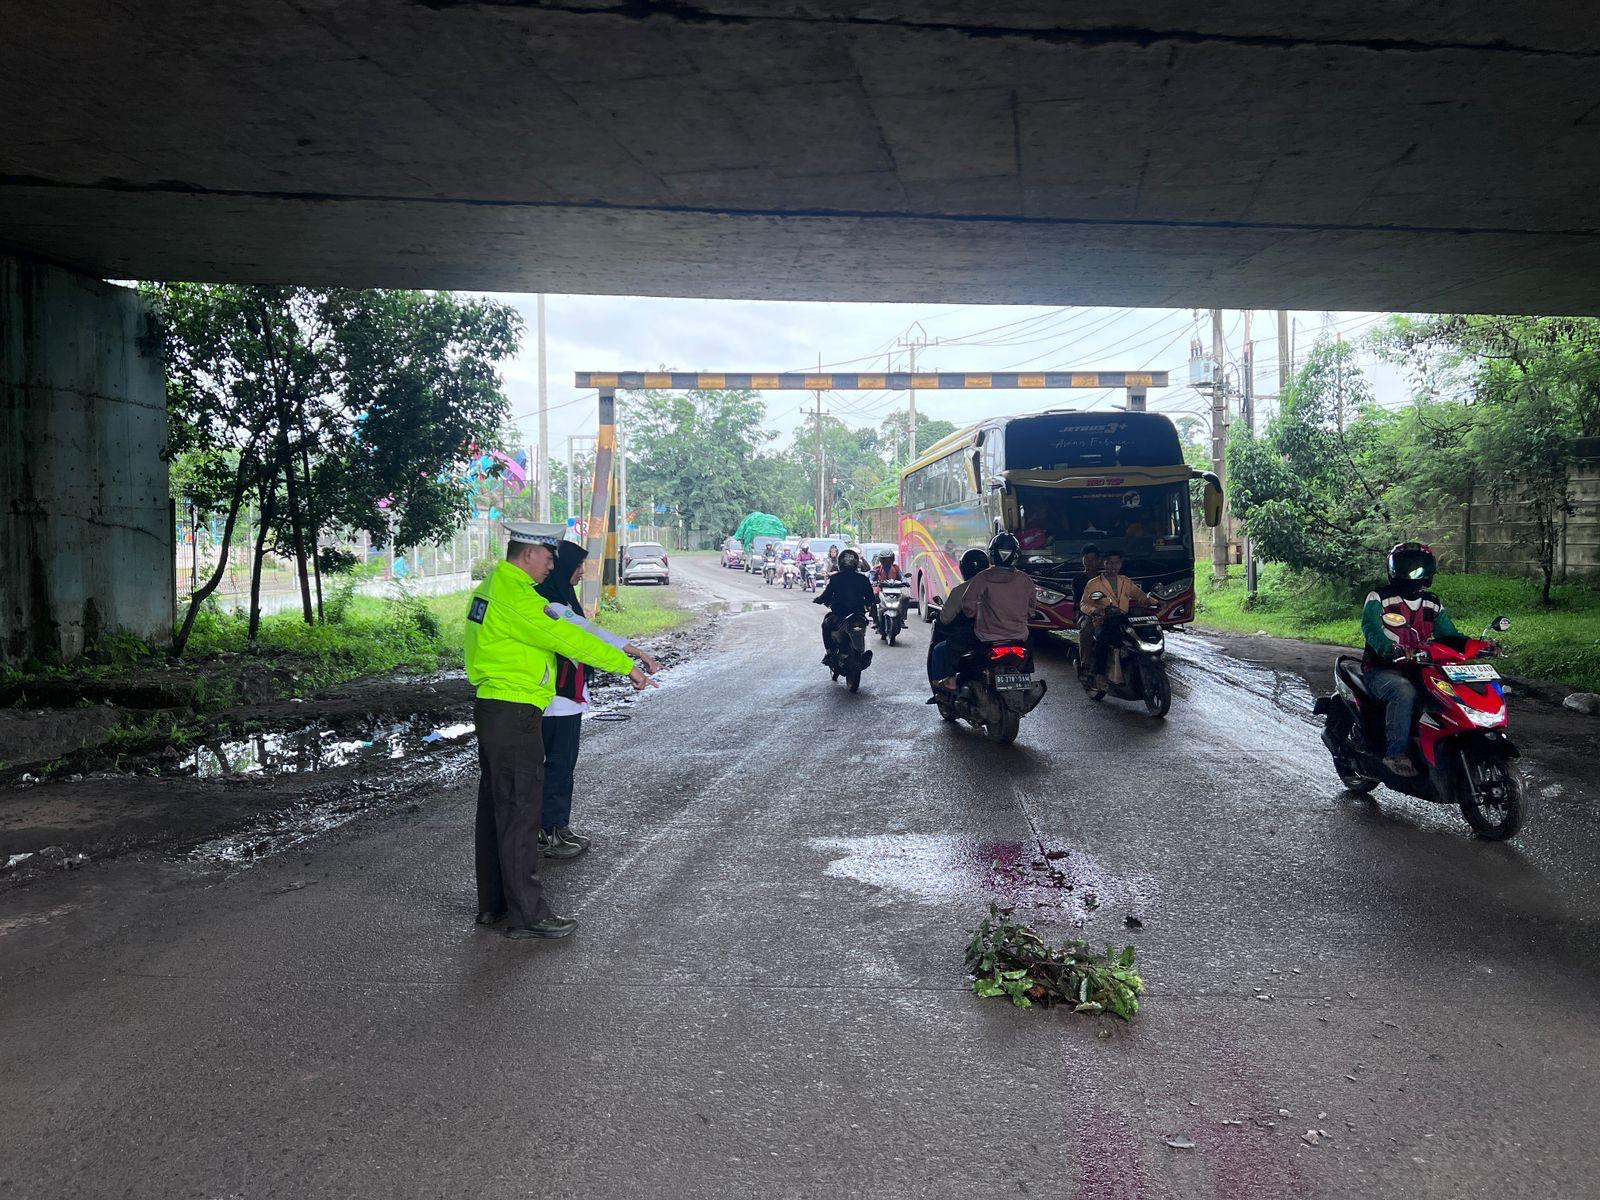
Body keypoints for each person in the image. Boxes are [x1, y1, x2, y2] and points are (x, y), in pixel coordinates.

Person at [464, 521, 655, 940]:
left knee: (497, 811)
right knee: (520, 815)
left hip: (495, 708)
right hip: (514, 714)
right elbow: (569, 638)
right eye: (548, 556)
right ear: (528, 553)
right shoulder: (516, 598)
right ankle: (528, 915)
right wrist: (627, 666)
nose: (552, 565)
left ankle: (494, 905)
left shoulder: (493, 586)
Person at [535, 539, 663, 860]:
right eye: (576, 566)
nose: (580, 572)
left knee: (560, 765)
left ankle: (556, 827)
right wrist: (637, 657)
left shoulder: (560, 597)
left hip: (563, 698)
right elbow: (591, 636)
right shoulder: (550, 605)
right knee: (558, 766)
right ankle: (549, 831)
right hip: (555, 700)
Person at [1361, 542, 1465, 778]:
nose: (1413, 573)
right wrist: (1389, 649)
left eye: (1419, 567)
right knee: (1403, 692)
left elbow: (1449, 635)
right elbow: (1371, 628)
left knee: (1451, 690)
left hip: (1423, 668)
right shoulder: (1380, 597)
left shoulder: (1432, 602)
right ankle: (1395, 753)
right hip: (1382, 669)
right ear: (1394, 569)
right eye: (1408, 567)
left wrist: (1474, 645)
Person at [1078, 550, 1153, 689]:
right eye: (1110, 563)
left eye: (1116, 563)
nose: (1113, 566)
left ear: (1121, 564)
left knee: (1136, 639)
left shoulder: (1125, 581)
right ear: (1104, 563)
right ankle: (1100, 674)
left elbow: (1140, 596)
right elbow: (1083, 604)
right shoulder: (1093, 584)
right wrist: (1095, 610)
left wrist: (1155, 602)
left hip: (1122, 620)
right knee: (1104, 640)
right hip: (1103, 620)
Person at [928, 548, 990, 694]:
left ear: (964, 569)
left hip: (976, 638)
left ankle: (942, 691)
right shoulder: (999, 587)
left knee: (938, 651)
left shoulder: (961, 591)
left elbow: (945, 618)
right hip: (1010, 636)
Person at [961, 532, 1036, 646]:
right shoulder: (1025, 579)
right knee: (1028, 659)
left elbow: (968, 607)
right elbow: (1031, 609)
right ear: (1016, 555)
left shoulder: (982, 577)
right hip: (1019, 637)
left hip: (986, 637)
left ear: (992, 554)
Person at [813, 547, 877, 664]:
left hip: (840, 615)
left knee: (825, 625)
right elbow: (870, 598)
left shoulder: (836, 578)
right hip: (858, 615)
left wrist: (819, 599)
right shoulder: (862, 579)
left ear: (840, 563)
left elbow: (826, 595)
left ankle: (829, 653)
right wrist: (868, 605)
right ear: (856, 563)